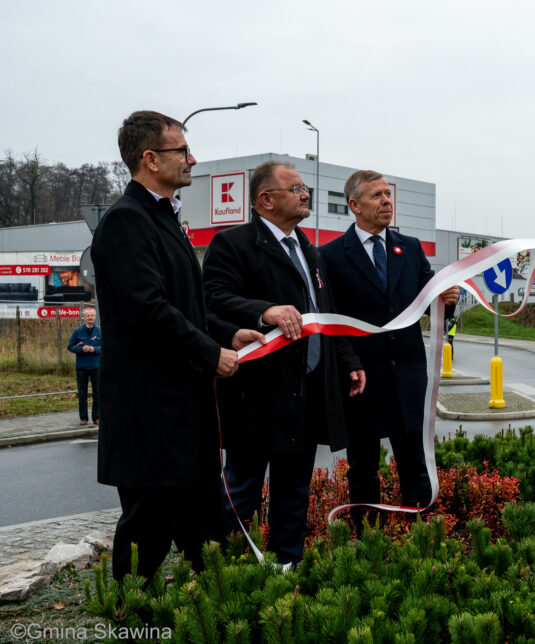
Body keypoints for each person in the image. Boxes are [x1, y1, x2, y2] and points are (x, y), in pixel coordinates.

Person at [91, 111, 258, 582]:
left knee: (206, 532)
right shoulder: (127, 222)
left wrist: (227, 335)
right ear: (150, 159)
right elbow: (150, 311)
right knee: (147, 535)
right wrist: (210, 354)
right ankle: (132, 613)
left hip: (184, 414)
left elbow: (188, 305)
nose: (192, 159)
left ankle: (214, 607)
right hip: (151, 417)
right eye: (182, 150)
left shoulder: (164, 218)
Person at [203, 161, 366, 565]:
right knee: (242, 489)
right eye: (295, 188)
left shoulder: (310, 251)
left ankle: (286, 566)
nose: (305, 194)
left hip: (305, 393)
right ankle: (226, 572)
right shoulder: (233, 244)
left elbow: (325, 312)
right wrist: (264, 311)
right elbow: (213, 299)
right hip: (256, 394)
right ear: (266, 199)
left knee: (294, 490)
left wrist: (347, 360)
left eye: (304, 187)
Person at [320, 169, 459, 534]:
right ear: (354, 205)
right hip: (361, 377)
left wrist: (447, 299)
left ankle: (421, 533)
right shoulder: (330, 256)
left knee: (414, 461)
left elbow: (430, 302)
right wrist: (348, 363)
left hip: (408, 376)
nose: (386, 201)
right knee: (363, 466)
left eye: (387, 194)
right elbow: (331, 319)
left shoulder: (410, 248)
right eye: (377, 196)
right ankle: (367, 538)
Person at [67, 308, 101, 425]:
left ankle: (97, 417)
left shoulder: (100, 332)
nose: (90, 317)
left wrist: (94, 349)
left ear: (95, 317)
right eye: (88, 316)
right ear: (84, 318)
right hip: (82, 367)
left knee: (97, 393)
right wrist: (81, 349)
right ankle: (83, 418)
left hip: (96, 367)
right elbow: (70, 346)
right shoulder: (77, 332)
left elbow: (105, 346)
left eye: (92, 315)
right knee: (82, 394)